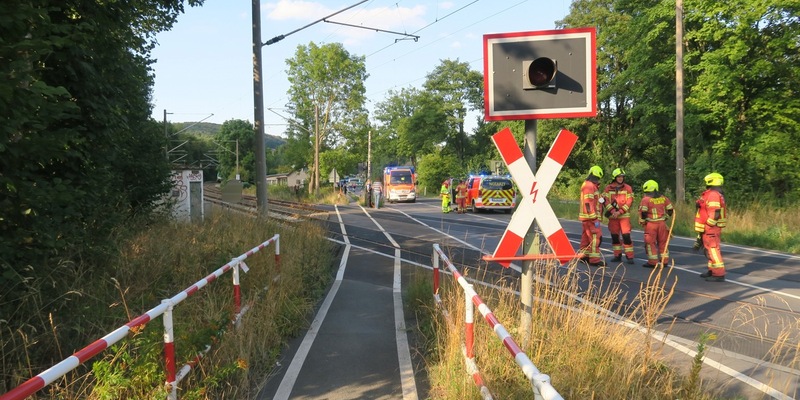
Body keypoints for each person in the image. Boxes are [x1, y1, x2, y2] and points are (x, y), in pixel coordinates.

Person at [694, 172, 728, 282]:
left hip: (711, 228)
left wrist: (709, 224)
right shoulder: (713, 193)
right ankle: (712, 270)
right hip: (709, 227)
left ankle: (718, 274)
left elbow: (715, 212)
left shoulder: (713, 194)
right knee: (709, 250)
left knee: (713, 250)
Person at [638, 180, 674, 268]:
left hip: (651, 225)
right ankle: (665, 261)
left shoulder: (645, 199)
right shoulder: (664, 198)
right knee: (663, 242)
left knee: (650, 243)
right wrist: (665, 217)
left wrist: (643, 220)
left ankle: (652, 262)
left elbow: (643, 213)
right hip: (662, 224)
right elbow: (670, 210)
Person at [602, 168, 635, 264]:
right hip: (613, 218)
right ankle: (617, 255)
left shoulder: (628, 188)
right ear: (614, 178)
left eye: (622, 177)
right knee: (615, 237)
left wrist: (619, 212)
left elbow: (629, 202)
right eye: (618, 177)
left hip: (624, 217)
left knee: (626, 236)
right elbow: (605, 201)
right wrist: (613, 211)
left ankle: (630, 256)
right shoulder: (608, 188)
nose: (620, 178)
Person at [579, 165, 605, 267]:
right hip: (592, 218)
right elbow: (588, 202)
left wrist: (603, 199)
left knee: (586, 238)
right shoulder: (590, 186)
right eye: (597, 178)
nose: (597, 180)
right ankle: (594, 260)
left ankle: (584, 257)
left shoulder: (591, 185)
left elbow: (596, 200)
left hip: (588, 218)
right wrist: (593, 216)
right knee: (596, 239)